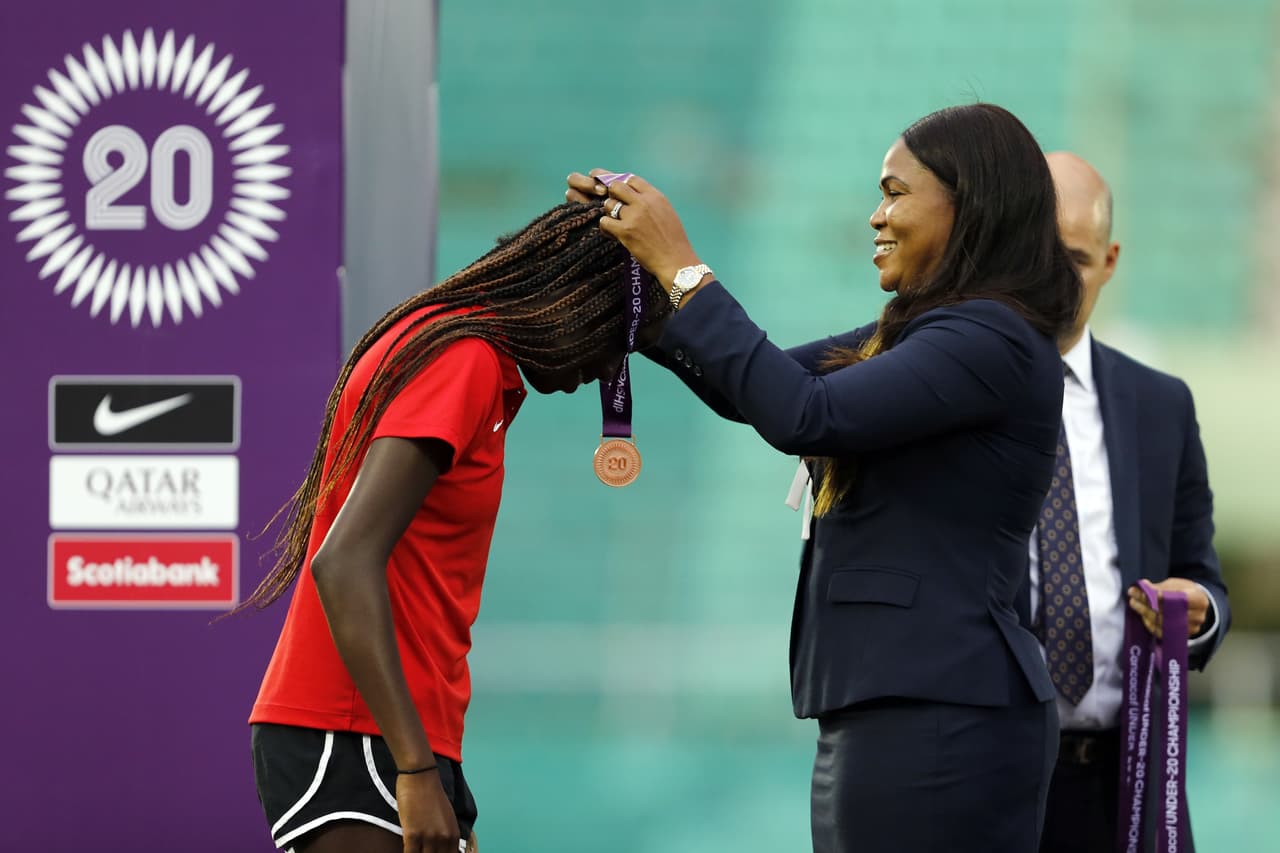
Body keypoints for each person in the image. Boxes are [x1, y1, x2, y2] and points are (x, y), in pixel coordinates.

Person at [568, 102, 1082, 853]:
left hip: (943, 711)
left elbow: (805, 415)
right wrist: (641, 284)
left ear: (969, 205)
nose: (877, 216)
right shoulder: (922, 331)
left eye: (896, 193)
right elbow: (753, 389)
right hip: (896, 705)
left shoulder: (988, 338)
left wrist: (684, 267)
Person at [240, 201, 671, 853]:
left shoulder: (472, 354)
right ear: (573, 302)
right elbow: (344, 561)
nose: (609, 372)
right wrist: (415, 771)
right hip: (356, 734)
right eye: (613, 341)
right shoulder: (462, 357)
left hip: (394, 734)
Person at [1029, 151, 1230, 853]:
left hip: (1128, 785)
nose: (1056, 281)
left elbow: (1203, 579)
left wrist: (1198, 613)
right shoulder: (954, 391)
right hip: (994, 779)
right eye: (1040, 255)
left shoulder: (1161, 405)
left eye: (1077, 260)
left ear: (1110, 261)